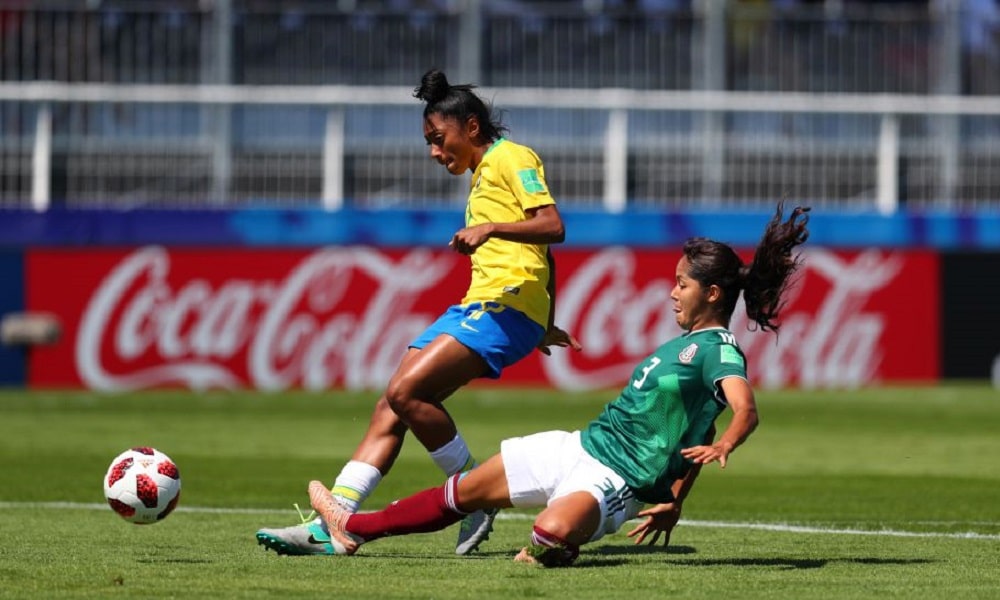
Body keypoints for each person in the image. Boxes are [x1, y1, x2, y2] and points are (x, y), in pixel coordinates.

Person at [303, 203, 811, 566]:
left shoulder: (718, 349)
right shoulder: (683, 347)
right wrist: (678, 498)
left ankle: (555, 546)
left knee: (549, 529)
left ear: (714, 293)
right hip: (578, 447)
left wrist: (726, 444)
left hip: (614, 483)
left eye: (682, 284)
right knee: (461, 494)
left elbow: (743, 411)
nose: (672, 292)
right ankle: (352, 530)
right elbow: (691, 431)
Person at [256, 68, 581, 556]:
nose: (433, 151)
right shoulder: (481, 176)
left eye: (438, 138)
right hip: (483, 306)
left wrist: (491, 232)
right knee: (391, 405)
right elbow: (544, 253)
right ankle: (334, 527)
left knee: (405, 391)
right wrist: (547, 317)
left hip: (504, 307)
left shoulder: (512, 157)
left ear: (471, 127)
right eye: (428, 141)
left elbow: (552, 226)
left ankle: (472, 492)